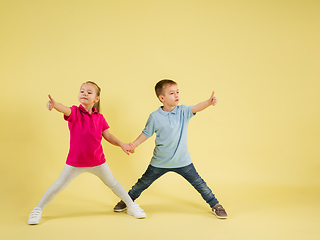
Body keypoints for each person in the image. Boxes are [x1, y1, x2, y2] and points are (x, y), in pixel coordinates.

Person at [28, 81, 146, 225]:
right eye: (82, 91)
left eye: (89, 92)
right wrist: (55, 104)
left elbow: (107, 135)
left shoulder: (99, 117)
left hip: (98, 162)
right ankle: (37, 210)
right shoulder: (75, 112)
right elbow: (64, 109)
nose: (84, 93)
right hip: (75, 162)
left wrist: (122, 144)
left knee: (113, 183)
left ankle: (131, 206)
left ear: (96, 99)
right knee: (58, 186)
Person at [113, 79, 227, 219]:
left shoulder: (183, 111)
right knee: (142, 183)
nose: (176, 95)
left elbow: (196, 107)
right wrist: (134, 144)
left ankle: (215, 205)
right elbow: (146, 133)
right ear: (162, 98)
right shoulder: (155, 117)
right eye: (172, 93)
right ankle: (127, 201)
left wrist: (208, 102)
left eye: (177, 92)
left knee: (200, 184)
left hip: (183, 161)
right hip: (159, 162)